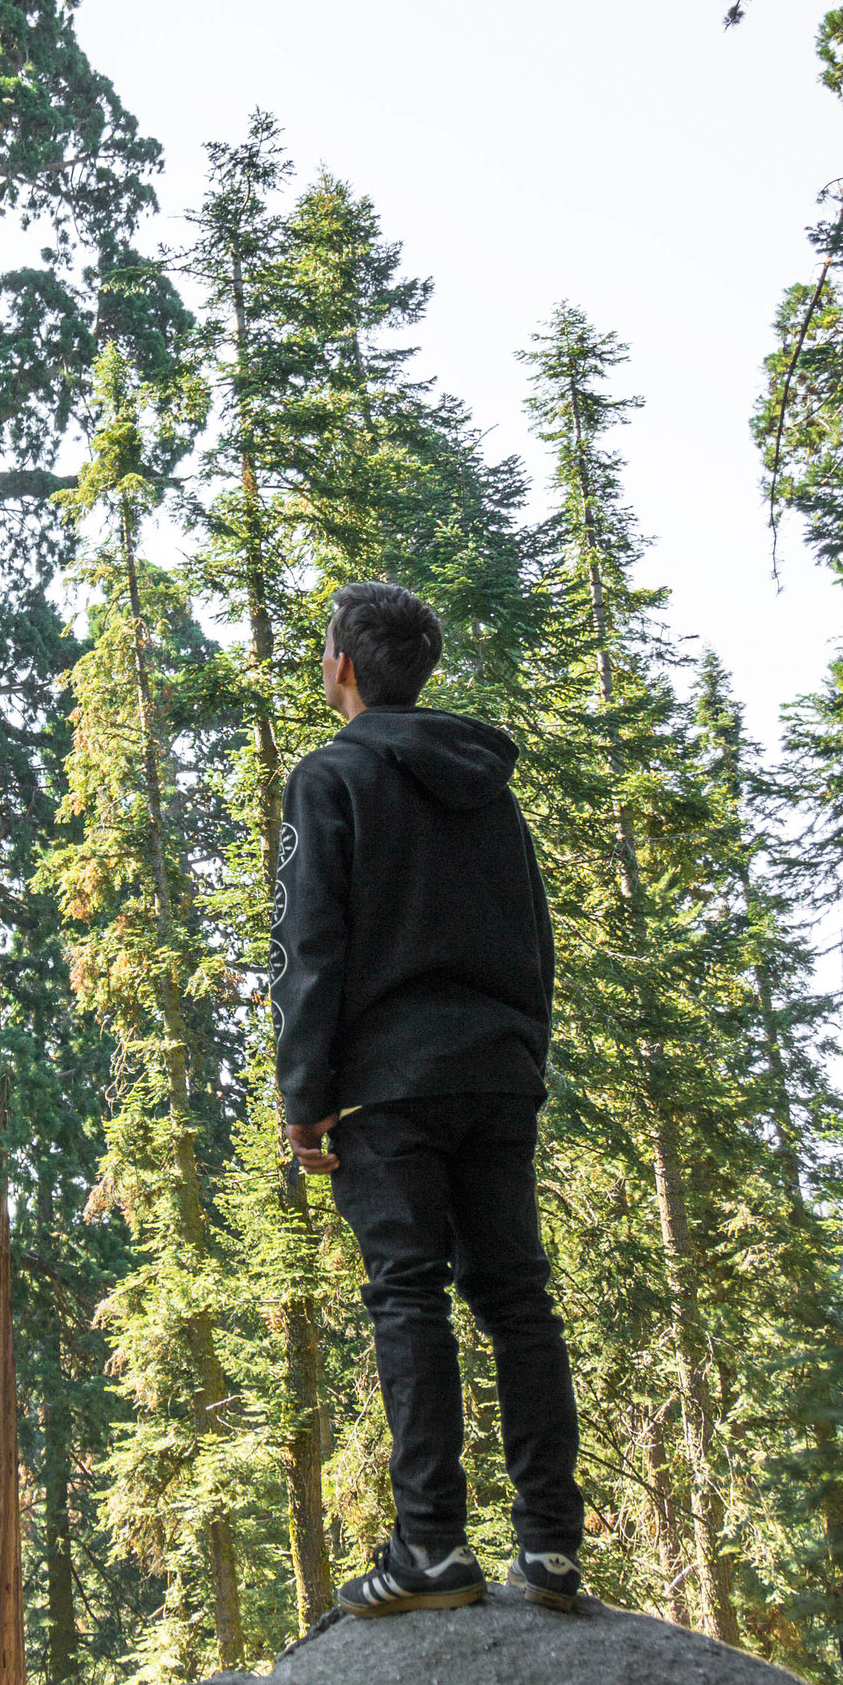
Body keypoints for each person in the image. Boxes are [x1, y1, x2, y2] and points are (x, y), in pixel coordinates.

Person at [272, 578, 587, 1617]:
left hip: (390, 1085)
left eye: (326, 653)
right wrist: (522, 1054)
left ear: (344, 670)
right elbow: (533, 935)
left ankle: (431, 1549)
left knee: (406, 1293)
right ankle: (548, 1548)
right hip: (498, 1068)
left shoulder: (330, 778)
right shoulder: (487, 784)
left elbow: (312, 943)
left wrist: (302, 1096)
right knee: (516, 1296)